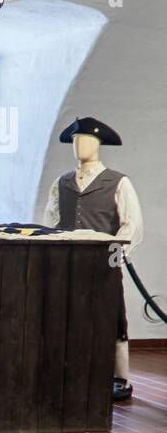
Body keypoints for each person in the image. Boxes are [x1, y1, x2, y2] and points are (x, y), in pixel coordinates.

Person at [42, 117, 144, 402]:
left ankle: (119, 377)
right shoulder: (61, 183)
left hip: (103, 265)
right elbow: (50, 221)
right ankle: (67, 371)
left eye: (86, 140)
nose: (79, 146)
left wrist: (117, 253)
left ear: (98, 144)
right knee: (65, 315)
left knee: (112, 319)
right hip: (66, 264)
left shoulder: (118, 182)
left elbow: (131, 223)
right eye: (75, 141)